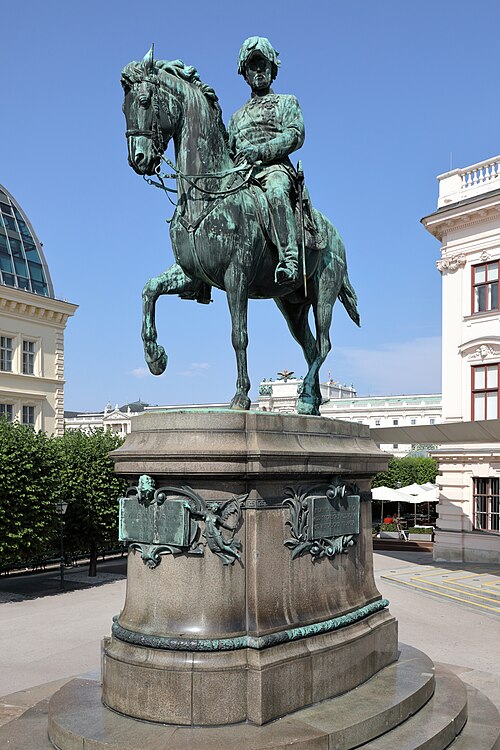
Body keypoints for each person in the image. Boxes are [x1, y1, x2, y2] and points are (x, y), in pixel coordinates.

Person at [227, 37, 305, 285]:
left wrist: (260, 152)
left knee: (276, 192)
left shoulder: (286, 102)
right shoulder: (236, 117)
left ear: (272, 69)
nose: (258, 70)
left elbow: (295, 135)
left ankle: (289, 260)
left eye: (263, 64)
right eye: (252, 65)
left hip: (275, 169)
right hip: (243, 176)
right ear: (245, 73)